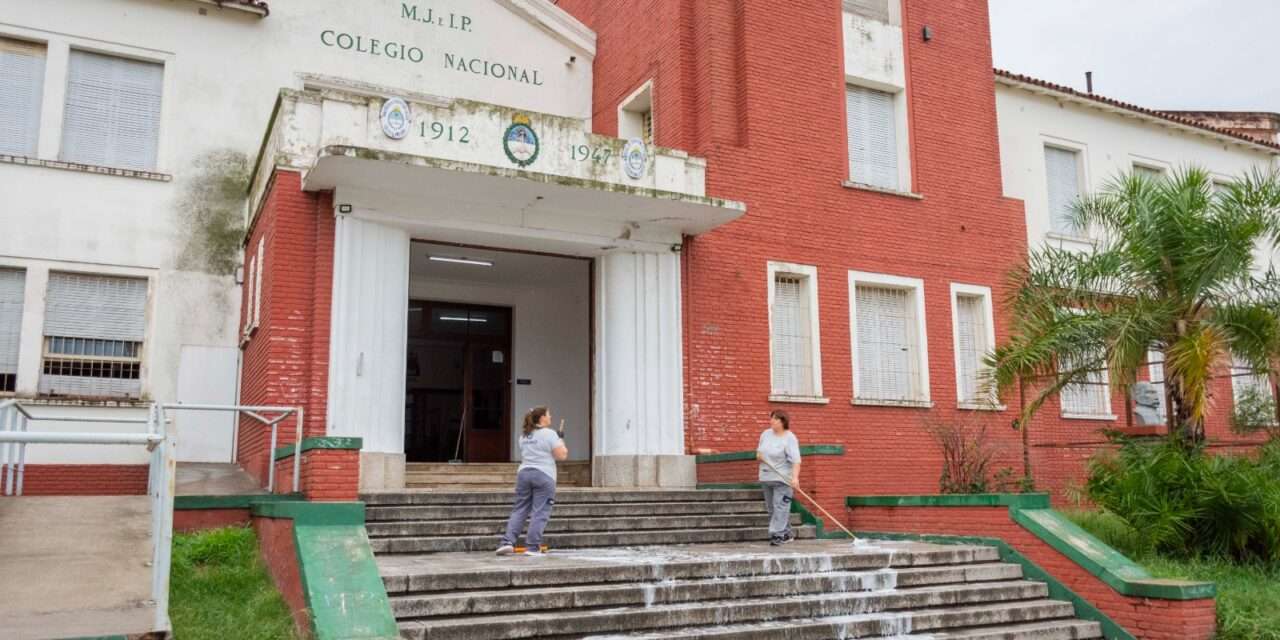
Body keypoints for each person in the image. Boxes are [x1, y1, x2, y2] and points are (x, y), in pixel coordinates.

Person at [496, 406, 568, 555]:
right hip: (543, 474)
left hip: (524, 474)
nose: (551, 417)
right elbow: (561, 455)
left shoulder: (524, 436)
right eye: (549, 415)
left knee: (520, 509)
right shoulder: (550, 433)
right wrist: (561, 439)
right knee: (540, 512)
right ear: (541, 418)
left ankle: (507, 542)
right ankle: (532, 547)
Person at [756, 409, 801, 546]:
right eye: (771, 418)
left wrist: (795, 478)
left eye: (775, 419)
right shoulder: (765, 434)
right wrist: (759, 456)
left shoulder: (789, 438)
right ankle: (786, 533)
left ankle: (777, 535)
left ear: (782, 421)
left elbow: (796, 460)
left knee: (780, 506)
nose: (771, 421)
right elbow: (759, 453)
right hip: (766, 477)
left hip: (783, 479)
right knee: (772, 508)